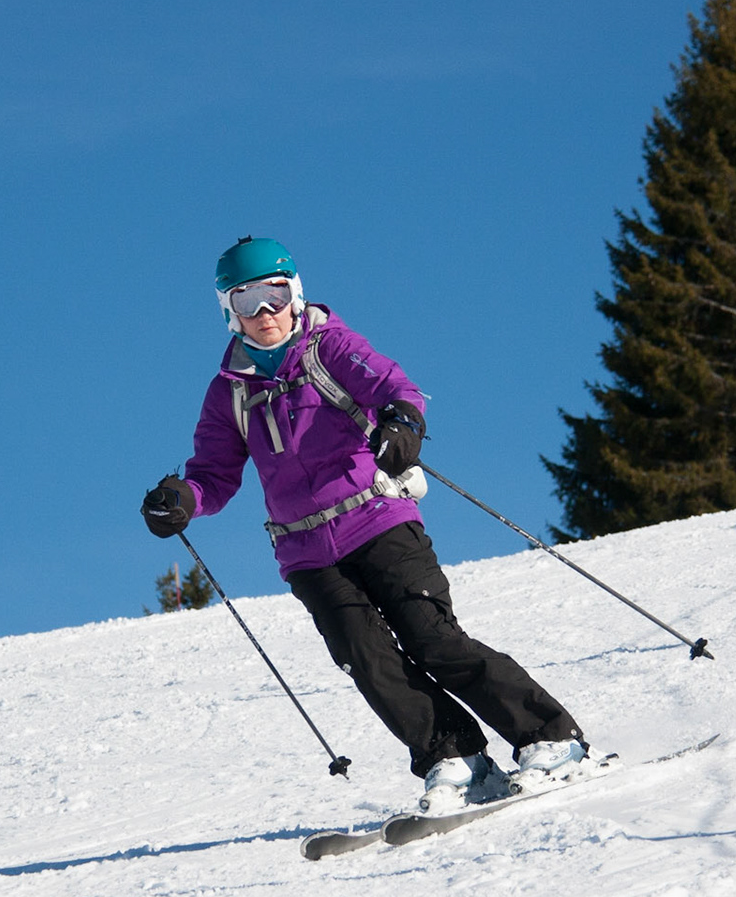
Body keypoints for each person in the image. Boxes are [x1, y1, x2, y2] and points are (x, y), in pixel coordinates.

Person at [140, 236, 596, 814]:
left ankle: (552, 738)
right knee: (368, 661)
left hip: (378, 520)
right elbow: (214, 474)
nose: (265, 313)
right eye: (247, 298)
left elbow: (394, 388)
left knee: (432, 640)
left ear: (295, 292)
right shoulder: (229, 393)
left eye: (275, 294)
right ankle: (454, 759)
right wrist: (182, 497)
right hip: (307, 553)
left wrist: (402, 424)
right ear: (229, 310)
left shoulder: (329, 347)